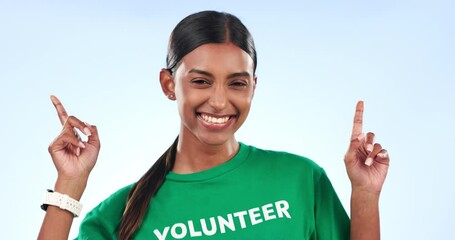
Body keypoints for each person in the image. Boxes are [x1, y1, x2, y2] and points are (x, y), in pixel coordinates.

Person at [38, 10, 390, 240]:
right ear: (167, 84)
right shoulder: (118, 215)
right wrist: (69, 184)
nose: (220, 102)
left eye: (237, 83)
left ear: (254, 86)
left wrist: (365, 194)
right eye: (201, 81)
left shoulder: (300, 178)